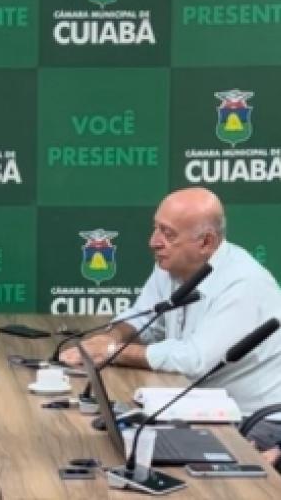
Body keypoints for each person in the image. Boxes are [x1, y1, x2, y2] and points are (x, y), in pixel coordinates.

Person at [60, 187, 281, 465]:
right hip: (199, 405)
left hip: (254, 421)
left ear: (206, 242)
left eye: (168, 234)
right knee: (115, 448)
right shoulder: (172, 264)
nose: (154, 242)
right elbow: (143, 319)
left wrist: (114, 351)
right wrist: (110, 337)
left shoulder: (244, 284)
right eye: (155, 228)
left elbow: (195, 360)